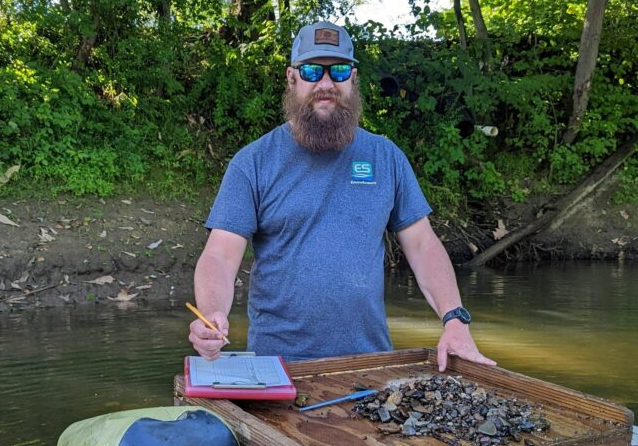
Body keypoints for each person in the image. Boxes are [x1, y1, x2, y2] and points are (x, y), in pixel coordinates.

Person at [188, 21, 496, 372]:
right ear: (291, 78)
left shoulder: (386, 157)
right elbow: (220, 256)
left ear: (352, 79)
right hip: (280, 370)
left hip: (371, 366)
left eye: (338, 70)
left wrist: (454, 319)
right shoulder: (253, 163)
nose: (325, 83)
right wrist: (212, 314)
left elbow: (423, 245)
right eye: (311, 70)